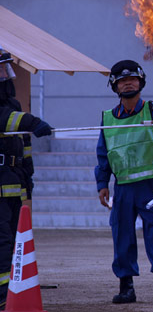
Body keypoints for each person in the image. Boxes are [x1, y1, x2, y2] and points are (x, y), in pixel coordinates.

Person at [94, 60, 153, 305]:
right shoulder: (108, 118)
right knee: (122, 236)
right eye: (122, 81)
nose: (127, 83)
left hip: (152, 188)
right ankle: (126, 288)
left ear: (141, 82)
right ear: (115, 87)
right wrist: (102, 183)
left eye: (132, 79)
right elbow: (103, 154)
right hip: (123, 188)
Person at [0, 48, 53, 311]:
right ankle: (1, 293)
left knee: (11, 241)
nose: (7, 76)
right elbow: (5, 122)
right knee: (1, 241)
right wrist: (33, 121)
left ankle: (10, 289)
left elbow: (24, 144)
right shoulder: (12, 113)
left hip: (12, 183)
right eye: (2, 70)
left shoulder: (14, 105)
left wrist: (28, 180)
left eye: (7, 69)